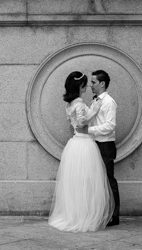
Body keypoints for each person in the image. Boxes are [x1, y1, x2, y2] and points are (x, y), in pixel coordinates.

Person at [48, 71, 114, 232]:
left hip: (74, 144)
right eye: (86, 84)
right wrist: (96, 108)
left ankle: (75, 214)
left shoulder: (69, 104)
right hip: (84, 144)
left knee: (76, 181)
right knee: (87, 182)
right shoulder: (79, 104)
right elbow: (82, 122)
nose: (88, 87)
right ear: (80, 86)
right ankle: (84, 215)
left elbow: (74, 124)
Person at [82, 70, 120, 226]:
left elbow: (110, 126)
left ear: (102, 83)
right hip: (94, 144)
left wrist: (88, 130)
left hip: (105, 145)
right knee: (96, 180)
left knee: (108, 179)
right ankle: (100, 212)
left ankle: (114, 215)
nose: (91, 85)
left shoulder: (109, 102)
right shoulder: (95, 100)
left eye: (93, 82)